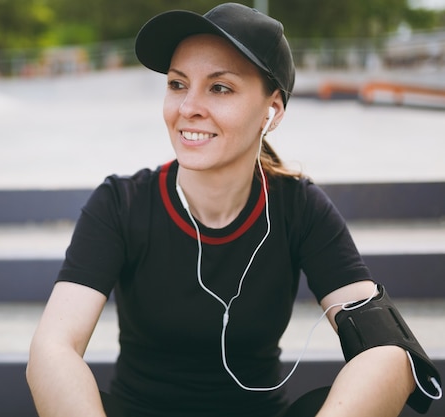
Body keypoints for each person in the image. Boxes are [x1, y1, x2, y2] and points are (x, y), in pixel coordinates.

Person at [26, 3, 441, 417]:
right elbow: (54, 348)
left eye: (219, 88)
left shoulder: (299, 207)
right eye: (177, 84)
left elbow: (391, 355)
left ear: (271, 111)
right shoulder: (121, 202)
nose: (188, 107)